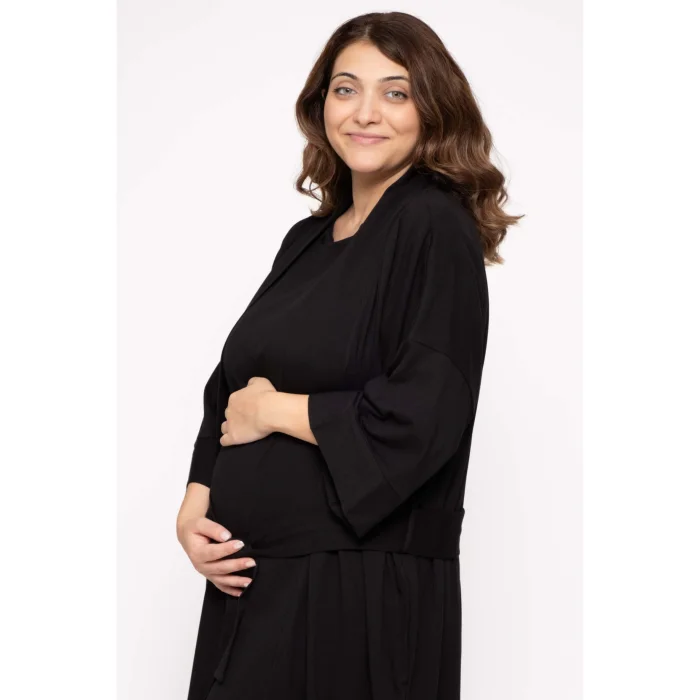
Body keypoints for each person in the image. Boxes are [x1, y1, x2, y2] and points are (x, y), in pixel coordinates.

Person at [176, 11, 521, 700]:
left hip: (356, 589)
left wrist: (277, 411)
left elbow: (427, 411)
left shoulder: (432, 224)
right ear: (321, 105)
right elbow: (230, 387)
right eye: (345, 89)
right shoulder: (307, 240)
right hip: (256, 582)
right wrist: (195, 507)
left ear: (433, 110)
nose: (366, 113)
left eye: (396, 92)